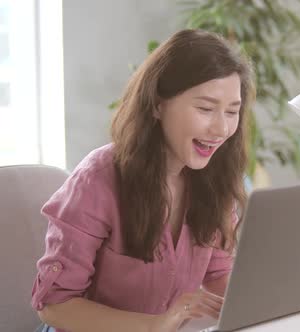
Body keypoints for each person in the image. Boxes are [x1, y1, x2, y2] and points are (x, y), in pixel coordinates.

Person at [31, 29, 254, 332]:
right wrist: (156, 325)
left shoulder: (214, 179)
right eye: (205, 109)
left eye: (232, 111)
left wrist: (273, 299)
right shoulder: (96, 181)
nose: (221, 129)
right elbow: (55, 306)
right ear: (157, 104)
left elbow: (217, 272)